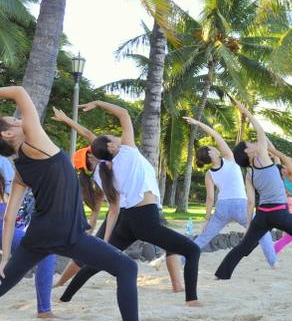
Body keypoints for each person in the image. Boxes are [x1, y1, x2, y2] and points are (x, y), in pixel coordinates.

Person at [0, 86, 142, 321]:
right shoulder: (35, 142)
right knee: (127, 268)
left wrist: (5, 258)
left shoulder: (20, 167)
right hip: (68, 234)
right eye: (14, 120)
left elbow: (9, 218)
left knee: (3, 284)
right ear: (8, 133)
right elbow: (20, 92)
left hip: (38, 236)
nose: (20, 119)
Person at [59, 100, 201, 306]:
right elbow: (123, 114)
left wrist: (66, 120)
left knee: (98, 261)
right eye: (112, 138)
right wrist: (98, 103)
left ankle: (65, 297)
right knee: (193, 250)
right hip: (145, 218)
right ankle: (192, 300)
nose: (117, 137)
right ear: (110, 146)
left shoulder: (102, 174)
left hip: (127, 220)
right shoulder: (127, 152)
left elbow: (91, 138)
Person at [214, 101, 292, 281]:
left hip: (262, 215)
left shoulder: (249, 172)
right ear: (248, 152)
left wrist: (250, 225)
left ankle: (221, 275)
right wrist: (247, 113)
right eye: (250, 144)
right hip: (278, 213)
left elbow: (251, 202)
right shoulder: (263, 160)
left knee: (244, 247)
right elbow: (260, 131)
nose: (254, 143)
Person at [182, 116, 277, 267]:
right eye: (213, 149)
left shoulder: (209, 174)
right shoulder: (229, 158)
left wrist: (207, 219)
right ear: (211, 154)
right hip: (240, 205)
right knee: (262, 231)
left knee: (203, 238)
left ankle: (182, 259)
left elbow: (210, 198)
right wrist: (198, 123)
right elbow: (216, 135)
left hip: (222, 208)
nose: (216, 148)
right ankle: (273, 262)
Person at [0, 155, 57, 318]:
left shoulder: (7, 163)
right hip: (4, 227)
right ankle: (44, 310)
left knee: (45, 252)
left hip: (8, 226)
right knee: (46, 252)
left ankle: (44, 310)